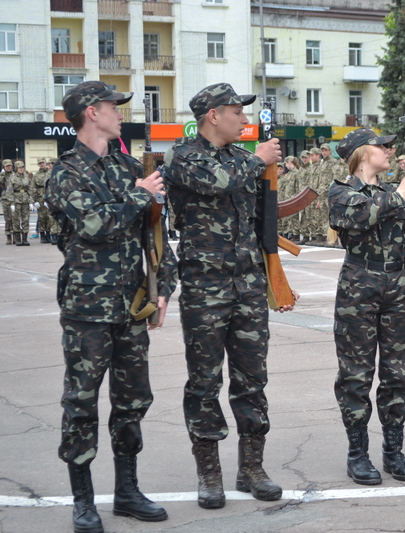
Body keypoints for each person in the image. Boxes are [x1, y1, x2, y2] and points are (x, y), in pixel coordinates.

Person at [45, 80, 177, 533]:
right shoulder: (66, 173)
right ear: (89, 113)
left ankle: (127, 491)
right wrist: (141, 193)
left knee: (132, 400)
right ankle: (83, 500)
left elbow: (155, 236)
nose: (119, 112)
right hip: (87, 309)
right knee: (81, 402)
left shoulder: (128, 167)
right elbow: (96, 223)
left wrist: (163, 287)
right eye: (111, 106)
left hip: (131, 306)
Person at [162, 82, 288, 509]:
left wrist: (273, 275)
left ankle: (252, 467)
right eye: (237, 111)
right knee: (204, 381)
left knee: (252, 378)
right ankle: (209, 472)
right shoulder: (183, 156)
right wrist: (258, 161)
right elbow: (216, 183)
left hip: (247, 286)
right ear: (213, 115)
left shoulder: (242, 159)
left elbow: (261, 220)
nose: (245, 118)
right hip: (205, 289)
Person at [328, 128, 405, 485]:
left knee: (398, 374)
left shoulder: (394, 192)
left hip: (401, 285)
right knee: (356, 374)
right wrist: (400, 193)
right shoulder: (341, 191)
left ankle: (393, 450)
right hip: (360, 285)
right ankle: (357, 453)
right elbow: (359, 217)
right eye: (382, 146)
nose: (389, 151)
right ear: (362, 154)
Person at [9, 160, 32, 246]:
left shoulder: (26, 177)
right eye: (20, 167)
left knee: (26, 219)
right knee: (16, 220)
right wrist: (12, 203)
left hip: (25, 200)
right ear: (16, 168)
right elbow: (9, 191)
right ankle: (18, 239)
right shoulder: (12, 177)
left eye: (23, 167)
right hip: (16, 200)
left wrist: (31, 202)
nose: (21, 169)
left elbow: (30, 189)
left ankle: (25, 239)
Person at [32, 157, 55, 244]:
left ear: (46, 163)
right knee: (41, 218)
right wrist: (35, 200)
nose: (42, 164)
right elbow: (33, 188)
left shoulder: (50, 174)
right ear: (38, 164)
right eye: (40, 163)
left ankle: (49, 235)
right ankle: (42, 235)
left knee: (49, 217)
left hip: (49, 198)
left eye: (43, 162)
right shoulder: (36, 175)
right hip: (40, 199)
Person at [1, 159, 14, 244]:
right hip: (5, 199)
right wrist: (2, 174)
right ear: (4, 167)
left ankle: (16, 236)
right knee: (7, 218)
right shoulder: (2, 175)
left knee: (15, 219)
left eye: (10, 166)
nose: (8, 167)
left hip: (14, 198)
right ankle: (8, 236)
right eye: (7, 166)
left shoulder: (15, 175)